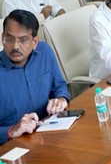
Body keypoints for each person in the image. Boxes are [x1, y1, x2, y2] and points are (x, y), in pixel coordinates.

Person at [0, 10, 70, 144]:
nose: (15, 46)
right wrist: (11, 131)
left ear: (35, 42)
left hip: (49, 133)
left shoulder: (44, 52)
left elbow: (60, 86)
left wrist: (60, 99)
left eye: (23, 40)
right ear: (3, 37)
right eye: (9, 39)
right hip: (13, 145)